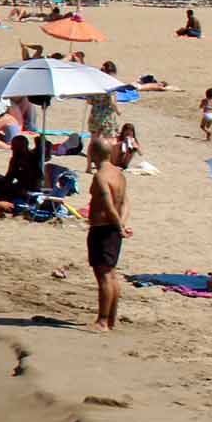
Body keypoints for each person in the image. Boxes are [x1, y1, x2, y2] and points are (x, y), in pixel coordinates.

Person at [87, 135, 128, 331]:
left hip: (104, 228)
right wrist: (122, 223)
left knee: (104, 274)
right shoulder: (119, 174)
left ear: (93, 153)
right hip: (112, 227)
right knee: (111, 274)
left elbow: (108, 203)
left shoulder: (101, 176)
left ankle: (103, 321)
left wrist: (119, 226)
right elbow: (126, 203)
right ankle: (110, 319)